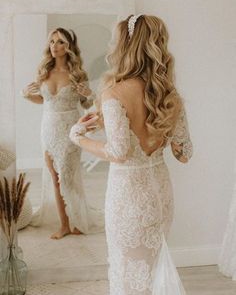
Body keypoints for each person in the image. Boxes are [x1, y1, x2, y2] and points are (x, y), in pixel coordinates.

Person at [70, 15, 193, 294]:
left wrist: (78, 137)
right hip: (160, 194)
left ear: (124, 45)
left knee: (128, 274)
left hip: (128, 197)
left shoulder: (114, 92)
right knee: (151, 270)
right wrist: (166, 132)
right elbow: (184, 153)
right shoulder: (168, 94)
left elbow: (118, 151)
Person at [22, 27, 104, 239]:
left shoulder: (78, 74)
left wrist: (90, 94)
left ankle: (76, 221)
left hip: (70, 128)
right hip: (48, 127)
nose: (55, 46)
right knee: (54, 176)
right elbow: (44, 101)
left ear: (69, 47)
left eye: (60, 42)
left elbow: (87, 104)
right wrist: (26, 95)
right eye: (52, 41)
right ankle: (65, 224)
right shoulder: (44, 72)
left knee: (66, 177)